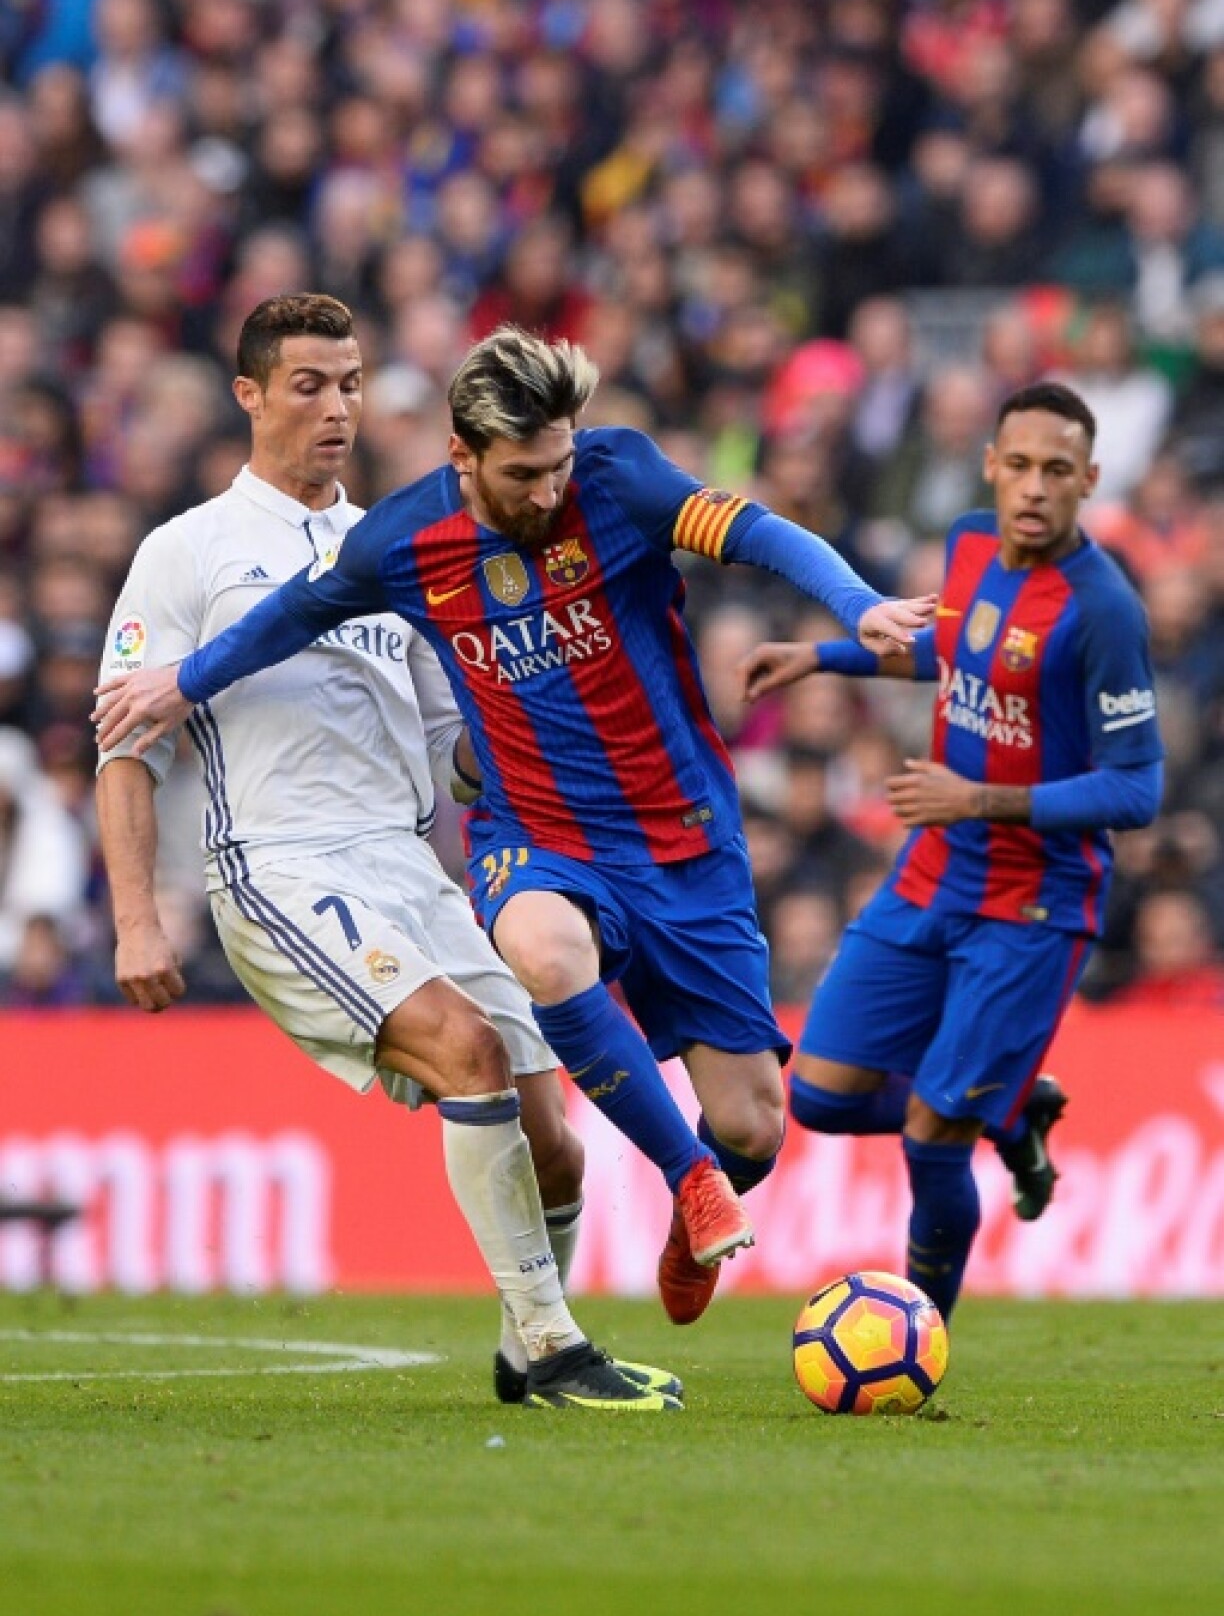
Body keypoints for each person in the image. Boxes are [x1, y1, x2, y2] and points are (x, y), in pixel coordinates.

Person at [93, 323, 934, 1327]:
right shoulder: (401, 541)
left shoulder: (620, 479)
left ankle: (707, 1184)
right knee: (541, 951)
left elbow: (757, 530)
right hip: (537, 833)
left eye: (558, 464)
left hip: (683, 842)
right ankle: (688, 1177)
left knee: (755, 1124)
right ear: (463, 456)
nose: (547, 492)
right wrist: (179, 681)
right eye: (525, 472)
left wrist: (856, 602)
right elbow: (284, 622)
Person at [94, 293, 679, 1413]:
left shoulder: (389, 551)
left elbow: (455, 745)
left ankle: (525, 1348)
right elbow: (127, 742)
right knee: (466, 1052)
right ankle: (557, 1351)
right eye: (309, 385)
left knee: (557, 1137)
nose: (336, 408)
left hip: (412, 867)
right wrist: (134, 917)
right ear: (249, 395)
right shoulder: (188, 553)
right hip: (280, 866)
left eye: (351, 382)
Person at [739, 381, 1164, 1320]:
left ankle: (917, 1339)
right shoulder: (972, 544)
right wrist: (822, 656)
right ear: (991, 466)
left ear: (1090, 479)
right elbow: (948, 653)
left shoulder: (1104, 611)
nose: (1035, 488)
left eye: (1058, 470)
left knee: (933, 1132)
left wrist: (979, 798)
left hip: (1034, 906)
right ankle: (1010, 1111)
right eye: (1019, 466)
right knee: (820, 1096)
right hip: (933, 874)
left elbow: (1138, 787)